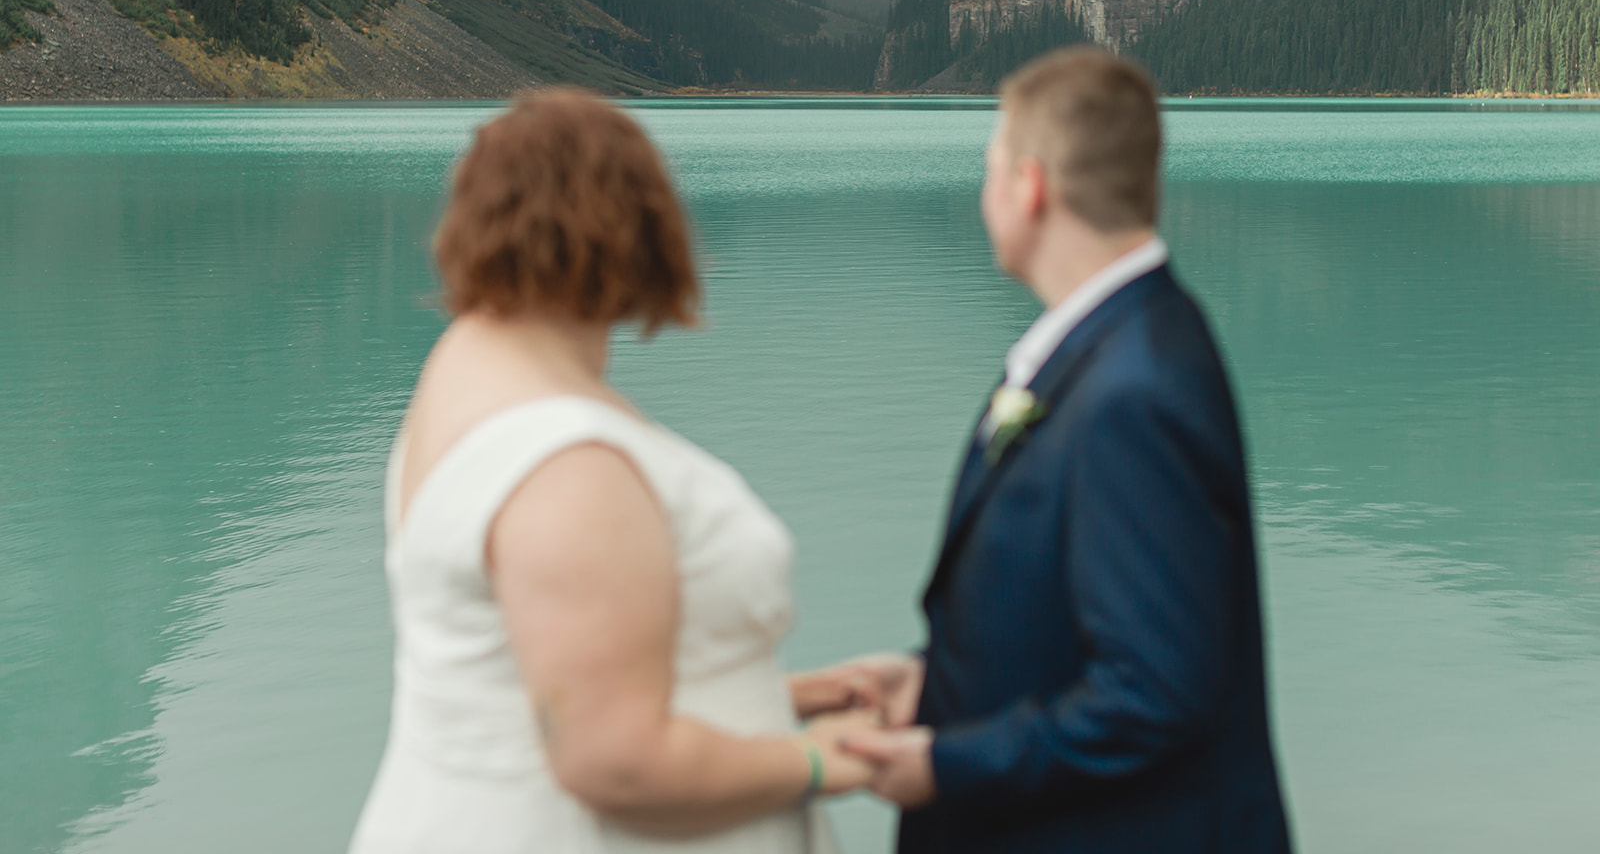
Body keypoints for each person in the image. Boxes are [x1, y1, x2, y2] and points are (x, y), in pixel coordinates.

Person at [349, 89, 879, 854]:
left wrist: (790, 696)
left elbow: (538, 687)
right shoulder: (568, 464)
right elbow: (614, 760)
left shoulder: (464, 369)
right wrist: (823, 761)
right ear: (638, 224)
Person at [833, 47, 1293, 853]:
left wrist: (948, 765)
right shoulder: (1129, 340)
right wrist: (937, 686)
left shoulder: (1130, 392)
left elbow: (1152, 695)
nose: (984, 193)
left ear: (1030, 186)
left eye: (990, 169)